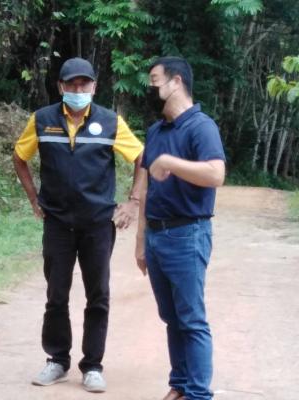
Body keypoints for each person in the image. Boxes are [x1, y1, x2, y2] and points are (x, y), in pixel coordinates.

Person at [13, 57, 143, 393]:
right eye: (71, 84)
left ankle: (93, 366)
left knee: (97, 294)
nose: (77, 89)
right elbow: (20, 157)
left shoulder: (110, 121)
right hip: (57, 223)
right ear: (61, 87)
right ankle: (57, 360)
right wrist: (33, 199)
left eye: (84, 83)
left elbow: (142, 157)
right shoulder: (42, 120)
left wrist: (133, 202)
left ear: (94, 87)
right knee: (56, 293)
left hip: (97, 223)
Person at [135, 56, 226, 400]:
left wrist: (171, 163)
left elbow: (216, 174)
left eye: (155, 80)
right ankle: (181, 385)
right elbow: (147, 188)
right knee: (171, 317)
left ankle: (199, 394)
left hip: (188, 234)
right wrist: (140, 241)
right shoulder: (156, 131)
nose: (150, 88)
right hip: (157, 235)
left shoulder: (201, 127)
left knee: (192, 319)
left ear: (176, 82)